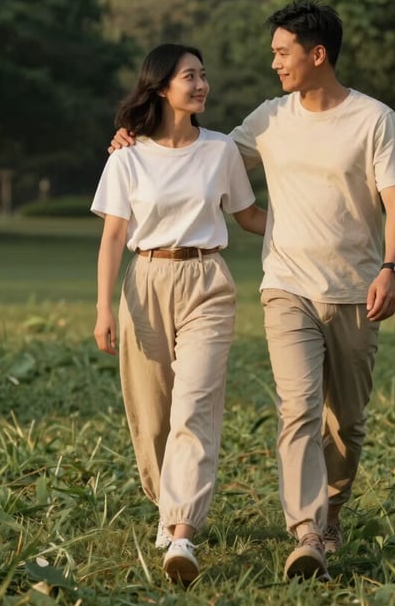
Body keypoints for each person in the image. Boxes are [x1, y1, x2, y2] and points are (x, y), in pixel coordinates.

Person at [109, 1, 395, 582]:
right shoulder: (268, 119)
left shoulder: (374, 119)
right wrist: (138, 135)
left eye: (283, 52)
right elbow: (198, 156)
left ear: (317, 54)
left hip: (356, 287)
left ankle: (329, 514)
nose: (274, 62)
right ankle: (307, 531)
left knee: (346, 422)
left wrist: (391, 268)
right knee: (297, 409)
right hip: (285, 287)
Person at [92, 43, 266, 587]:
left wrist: (313, 218)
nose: (201, 84)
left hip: (207, 282)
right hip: (144, 283)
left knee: (195, 406)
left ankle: (183, 528)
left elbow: (249, 216)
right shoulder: (127, 156)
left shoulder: (220, 152)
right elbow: (113, 237)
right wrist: (103, 308)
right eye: (190, 76)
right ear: (160, 86)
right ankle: (168, 500)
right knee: (152, 414)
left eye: (203, 75)